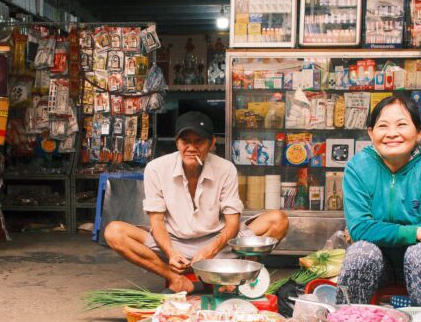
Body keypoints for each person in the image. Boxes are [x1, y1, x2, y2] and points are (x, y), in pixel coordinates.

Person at [105, 111, 289, 293]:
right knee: (114, 232)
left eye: (199, 141)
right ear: (177, 143)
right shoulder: (156, 169)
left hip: (217, 243)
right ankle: (175, 278)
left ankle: (241, 277)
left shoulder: (226, 169)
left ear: (212, 143)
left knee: (278, 220)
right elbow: (157, 222)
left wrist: (210, 251)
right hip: (173, 241)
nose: (191, 148)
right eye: (185, 141)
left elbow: (232, 223)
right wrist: (171, 253)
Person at [338, 94, 421, 310]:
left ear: (419, 133)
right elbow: (360, 228)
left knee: (418, 253)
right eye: (383, 126)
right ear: (371, 133)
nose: (392, 133)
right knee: (361, 252)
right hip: (378, 265)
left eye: (402, 124)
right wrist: (417, 232)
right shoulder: (358, 167)